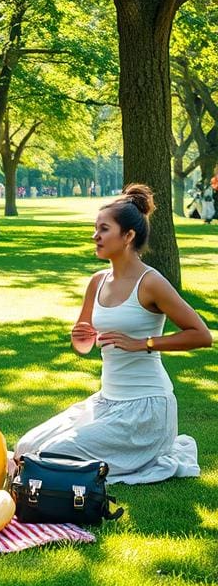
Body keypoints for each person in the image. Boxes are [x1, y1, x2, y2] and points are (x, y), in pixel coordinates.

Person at [14, 184, 212, 484]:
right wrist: (81, 337)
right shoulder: (97, 282)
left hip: (146, 410)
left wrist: (142, 344)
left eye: (104, 229)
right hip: (106, 403)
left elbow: (201, 334)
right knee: (26, 447)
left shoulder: (151, 282)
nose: (95, 236)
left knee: (53, 455)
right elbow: (83, 345)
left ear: (128, 236)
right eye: (96, 228)